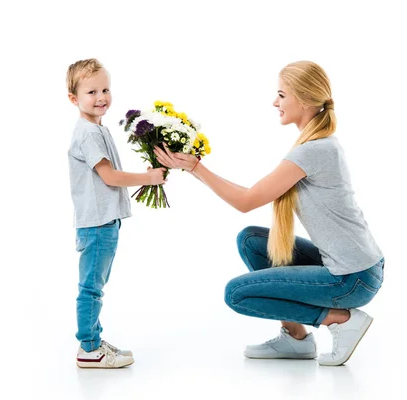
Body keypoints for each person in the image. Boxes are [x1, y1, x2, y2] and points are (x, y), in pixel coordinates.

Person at [153, 61, 384, 366]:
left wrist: (195, 167)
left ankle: (339, 319)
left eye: (281, 95)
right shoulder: (316, 145)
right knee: (251, 240)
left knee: (237, 294)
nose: (275, 102)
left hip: (352, 279)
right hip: (358, 269)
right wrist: (195, 168)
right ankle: (296, 338)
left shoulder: (312, 150)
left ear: (303, 99)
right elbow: (252, 195)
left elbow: (247, 200)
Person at [67, 58, 166, 368]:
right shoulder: (88, 133)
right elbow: (109, 177)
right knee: (91, 287)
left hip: (104, 221)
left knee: (96, 284)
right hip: (97, 224)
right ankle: (89, 349)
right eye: (91, 92)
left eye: (105, 89)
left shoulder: (97, 129)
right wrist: (148, 179)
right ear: (74, 99)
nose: (101, 98)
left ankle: (94, 341)